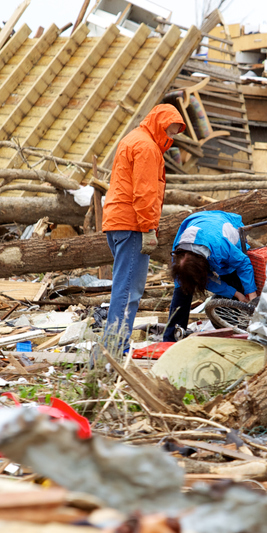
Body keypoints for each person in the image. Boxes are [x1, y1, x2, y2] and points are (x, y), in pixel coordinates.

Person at [101, 104, 186, 354]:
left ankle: (114, 347)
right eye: (170, 130)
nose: (171, 136)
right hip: (133, 225)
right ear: (160, 123)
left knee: (122, 288)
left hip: (118, 222)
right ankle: (116, 351)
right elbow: (145, 192)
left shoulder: (133, 139)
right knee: (128, 291)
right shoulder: (148, 148)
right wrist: (149, 228)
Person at [163, 210, 258, 342]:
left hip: (222, 225)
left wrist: (251, 295)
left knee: (232, 278)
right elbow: (205, 280)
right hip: (197, 222)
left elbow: (243, 263)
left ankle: (237, 331)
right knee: (182, 290)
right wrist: (235, 294)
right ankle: (170, 340)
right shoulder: (179, 257)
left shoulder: (222, 247)